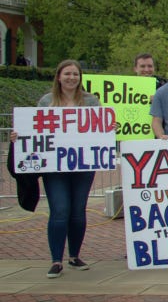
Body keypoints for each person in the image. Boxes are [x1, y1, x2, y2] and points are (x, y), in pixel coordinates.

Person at [11, 60, 101, 278]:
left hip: (83, 165)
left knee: (78, 211)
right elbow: (34, 130)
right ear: (58, 77)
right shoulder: (46, 101)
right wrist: (18, 136)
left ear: (80, 78)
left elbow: (98, 128)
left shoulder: (91, 101)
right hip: (54, 167)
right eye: (67, 74)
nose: (71, 78)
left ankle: (74, 256)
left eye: (75, 74)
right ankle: (56, 260)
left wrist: (109, 127)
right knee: (60, 210)